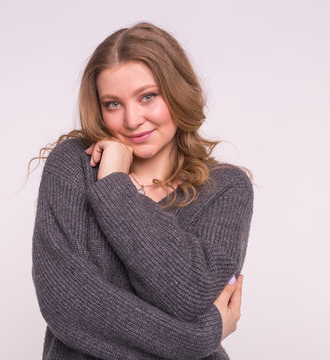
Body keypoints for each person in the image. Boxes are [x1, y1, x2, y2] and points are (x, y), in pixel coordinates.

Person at [29, 22, 254, 360]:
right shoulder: (74, 165)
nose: (132, 119)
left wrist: (115, 188)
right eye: (113, 104)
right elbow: (66, 302)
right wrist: (196, 340)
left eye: (148, 96)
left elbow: (191, 294)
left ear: (178, 91)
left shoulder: (225, 188)